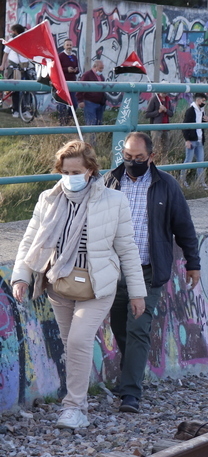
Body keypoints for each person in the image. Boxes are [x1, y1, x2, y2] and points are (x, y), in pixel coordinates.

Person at [11, 141, 147, 430]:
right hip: (59, 283)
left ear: (90, 170)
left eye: (76, 171)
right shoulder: (48, 199)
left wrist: (137, 293)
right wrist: (21, 276)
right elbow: (30, 240)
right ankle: (77, 403)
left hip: (97, 286)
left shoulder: (113, 201)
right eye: (65, 171)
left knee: (78, 340)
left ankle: (74, 407)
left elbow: (127, 249)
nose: (70, 177)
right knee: (69, 345)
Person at [103, 132, 200, 414]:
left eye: (139, 158)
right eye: (128, 157)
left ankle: (130, 393)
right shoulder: (109, 182)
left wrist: (193, 263)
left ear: (151, 157)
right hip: (113, 270)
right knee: (120, 327)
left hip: (147, 270)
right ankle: (129, 375)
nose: (132, 162)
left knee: (138, 328)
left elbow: (184, 227)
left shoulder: (166, 186)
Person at [181, 92, 208, 189]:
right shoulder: (190, 111)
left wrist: (206, 121)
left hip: (200, 140)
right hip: (192, 140)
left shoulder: (202, 111)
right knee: (188, 161)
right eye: (203, 100)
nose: (204, 103)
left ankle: (201, 182)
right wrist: (187, 140)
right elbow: (185, 126)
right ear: (198, 100)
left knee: (201, 162)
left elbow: (201, 125)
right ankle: (182, 181)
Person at [1, 24, 27, 118]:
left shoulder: (25, 41)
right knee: (14, 89)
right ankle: (15, 110)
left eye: (13, 31)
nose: (12, 33)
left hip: (24, 66)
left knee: (26, 89)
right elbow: (5, 53)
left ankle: (24, 110)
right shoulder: (12, 41)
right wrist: (3, 65)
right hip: (14, 66)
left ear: (16, 31)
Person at [57, 38, 80, 125]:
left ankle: (69, 119)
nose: (69, 47)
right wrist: (67, 69)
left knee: (74, 104)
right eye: (67, 45)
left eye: (70, 45)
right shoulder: (60, 56)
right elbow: (57, 69)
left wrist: (75, 70)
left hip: (72, 83)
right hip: (62, 83)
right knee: (62, 104)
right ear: (64, 46)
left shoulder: (74, 57)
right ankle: (62, 122)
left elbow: (78, 69)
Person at [145, 91, 175, 157]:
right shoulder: (154, 99)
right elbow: (147, 114)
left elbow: (171, 114)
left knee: (166, 147)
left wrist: (166, 110)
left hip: (166, 128)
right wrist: (158, 111)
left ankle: (164, 161)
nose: (165, 94)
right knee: (156, 147)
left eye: (166, 92)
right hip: (156, 128)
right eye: (163, 92)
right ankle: (155, 161)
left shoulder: (168, 100)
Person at [78, 60, 106, 130]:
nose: (101, 70)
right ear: (95, 67)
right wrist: (80, 100)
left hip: (100, 103)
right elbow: (80, 87)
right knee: (91, 123)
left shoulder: (101, 76)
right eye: (100, 68)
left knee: (98, 123)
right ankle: (91, 137)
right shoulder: (87, 75)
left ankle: (96, 136)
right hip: (89, 102)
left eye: (102, 68)